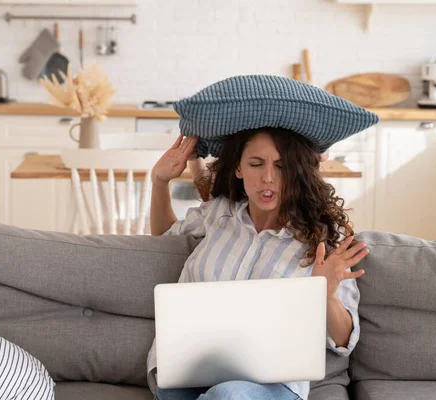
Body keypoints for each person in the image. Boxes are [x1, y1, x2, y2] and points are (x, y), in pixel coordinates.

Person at [147, 125, 369, 400]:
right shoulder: (220, 213)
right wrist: (159, 181)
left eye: (281, 166)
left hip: (269, 387)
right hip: (188, 372)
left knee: (228, 395)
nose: (268, 178)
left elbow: (345, 340)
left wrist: (327, 294)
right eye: (256, 164)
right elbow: (164, 236)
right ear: (239, 168)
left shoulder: (323, 238)